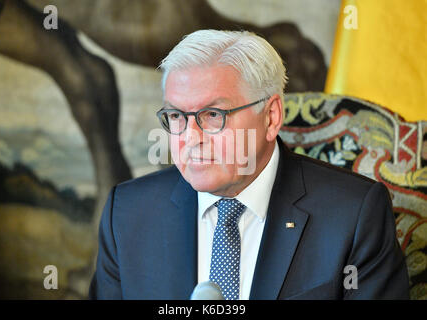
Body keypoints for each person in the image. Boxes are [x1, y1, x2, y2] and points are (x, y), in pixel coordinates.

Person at [89, 30, 409, 300]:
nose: (190, 137)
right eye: (176, 116)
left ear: (271, 118)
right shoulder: (128, 213)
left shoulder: (353, 215)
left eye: (213, 115)